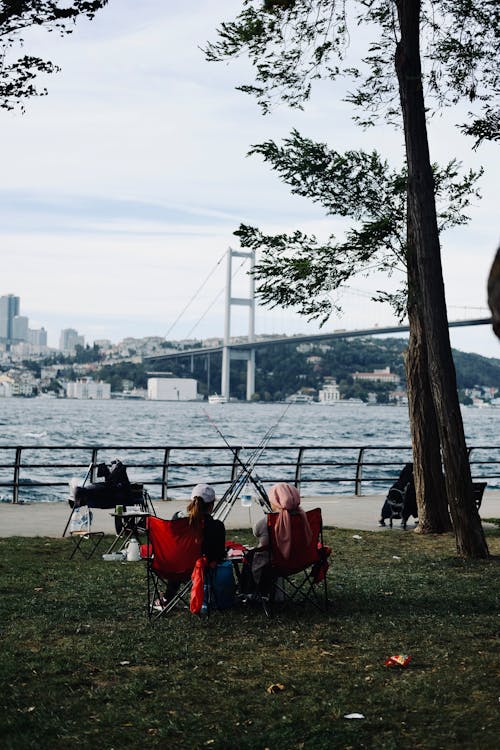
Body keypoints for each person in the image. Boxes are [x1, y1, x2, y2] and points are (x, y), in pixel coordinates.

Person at [157, 483, 225, 606]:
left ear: (191, 500)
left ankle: (167, 598)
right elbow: (218, 555)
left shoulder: (177, 518)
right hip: (201, 569)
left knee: (181, 556)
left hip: (174, 567)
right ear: (212, 505)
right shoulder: (217, 526)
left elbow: (176, 545)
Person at [241, 482, 312, 596]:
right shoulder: (307, 518)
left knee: (250, 556)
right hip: (302, 559)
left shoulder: (267, 521)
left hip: (276, 564)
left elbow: (256, 532)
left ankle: (250, 593)